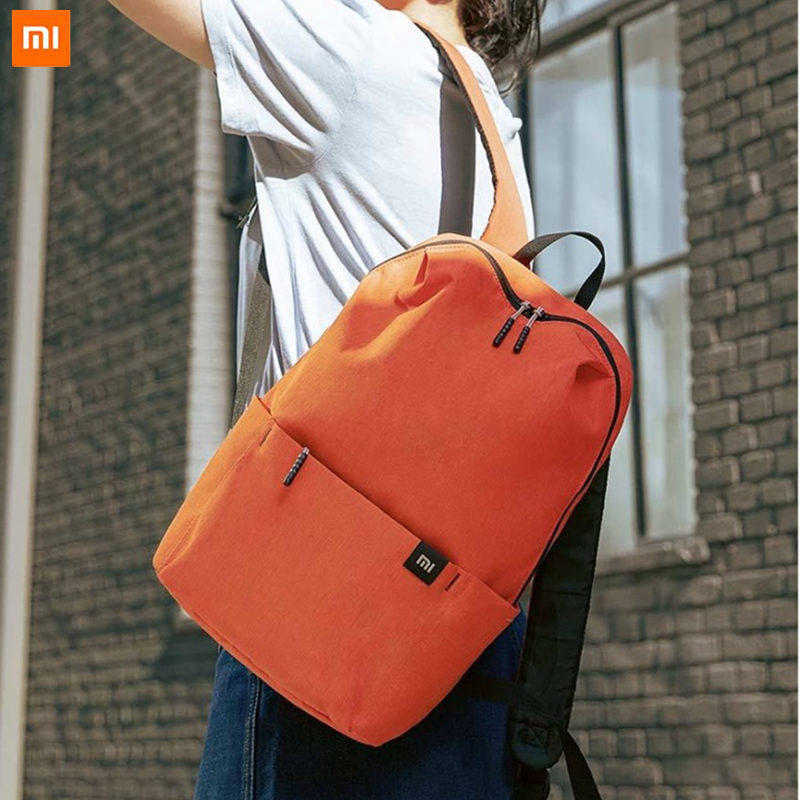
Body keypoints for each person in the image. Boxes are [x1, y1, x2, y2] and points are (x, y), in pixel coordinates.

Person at [107, 0, 542, 796]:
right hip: (459, 617)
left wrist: (33, 37)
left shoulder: (356, 54)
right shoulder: (494, 126)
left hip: (319, 595)